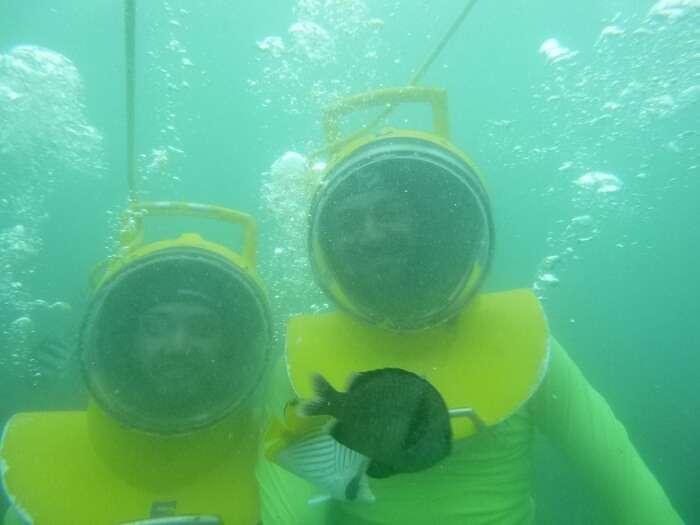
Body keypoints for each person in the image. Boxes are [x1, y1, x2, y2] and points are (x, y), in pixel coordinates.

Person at [257, 93, 685, 524]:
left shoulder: (525, 343)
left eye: (388, 212)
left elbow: (627, 484)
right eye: (348, 223)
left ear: (433, 223)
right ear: (328, 244)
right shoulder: (299, 364)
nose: (370, 236)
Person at [1, 204, 272, 525]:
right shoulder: (38, 473)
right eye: (156, 326)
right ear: (127, 340)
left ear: (233, 345)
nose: (178, 346)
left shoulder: (280, 453)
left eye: (203, 328)